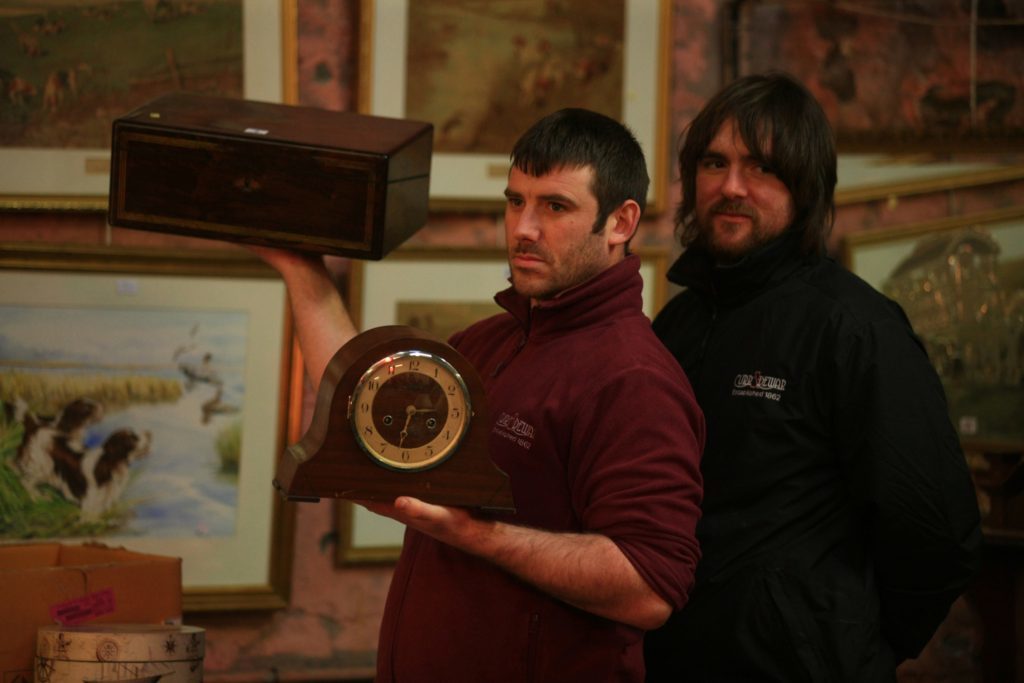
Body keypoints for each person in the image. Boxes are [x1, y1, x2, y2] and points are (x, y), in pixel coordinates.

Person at [258, 108, 705, 682]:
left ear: (620, 222)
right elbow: (358, 404)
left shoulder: (635, 379)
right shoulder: (490, 340)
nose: (523, 228)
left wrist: (475, 534)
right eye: (515, 200)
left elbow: (649, 589)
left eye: (555, 206)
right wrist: (300, 268)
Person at [643, 71, 983, 682]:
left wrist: (847, 648)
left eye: (762, 168)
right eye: (714, 163)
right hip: (669, 662)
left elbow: (937, 531)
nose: (731, 187)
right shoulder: (677, 323)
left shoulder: (855, 327)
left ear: (806, 187)